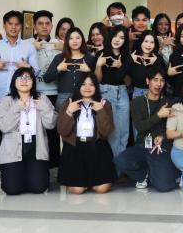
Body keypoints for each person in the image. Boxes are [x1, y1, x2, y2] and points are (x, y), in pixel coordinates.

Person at [115, 68, 179, 192]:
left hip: (160, 147)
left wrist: (163, 137)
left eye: (162, 80)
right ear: (147, 81)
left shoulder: (168, 103)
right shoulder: (136, 102)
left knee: (164, 186)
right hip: (142, 146)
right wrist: (159, 116)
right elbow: (140, 127)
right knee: (120, 160)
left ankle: (155, 172)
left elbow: (173, 128)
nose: (159, 84)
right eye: (155, 80)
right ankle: (143, 175)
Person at [0, 68, 57, 195]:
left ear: (33, 81)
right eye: (20, 78)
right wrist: (17, 107)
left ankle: (30, 176)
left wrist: (43, 107)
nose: (24, 81)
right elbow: (3, 127)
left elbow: (51, 124)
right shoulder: (6, 100)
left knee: (39, 188)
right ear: (14, 81)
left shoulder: (42, 98)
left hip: (36, 147)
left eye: (28, 78)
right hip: (12, 148)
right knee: (12, 190)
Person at [56, 73, 117, 194]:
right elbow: (62, 131)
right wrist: (69, 112)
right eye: (83, 84)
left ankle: (90, 181)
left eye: (91, 84)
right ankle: (82, 182)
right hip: (75, 148)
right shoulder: (69, 103)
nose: (87, 87)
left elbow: (106, 132)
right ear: (78, 86)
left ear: (96, 87)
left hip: (97, 147)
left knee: (102, 189)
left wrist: (100, 111)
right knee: (77, 190)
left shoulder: (104, 104)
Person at [0, 10, 39, 103]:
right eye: (10, 24)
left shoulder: (29, 47)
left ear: (21, 26)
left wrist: (28, 68)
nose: (13, 27)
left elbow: (36, 72)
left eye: (17, 24)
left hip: (21, 96)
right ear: (4, 25)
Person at [95, 26, 132, 158]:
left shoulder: (127, 56)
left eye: (121, 37)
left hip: (122, 92)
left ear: (125, 41)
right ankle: (112, 163)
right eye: (115, 36)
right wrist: (99, 65)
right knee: (113, 131)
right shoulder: (101, 54)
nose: (117, 40)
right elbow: (97, 80)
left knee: (124, 130)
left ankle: (120, 162)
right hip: (106, 91)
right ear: (110, 37)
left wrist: (121, 66)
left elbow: (127, 81)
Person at [43, 28, 96, 110]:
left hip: (84, 97)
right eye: (71, 38)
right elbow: (46, 79)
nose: (75, 41)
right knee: (63, 118)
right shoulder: (59, 58)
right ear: (67, 41)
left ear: (82, 40)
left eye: (78, 38)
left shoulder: (90, 58)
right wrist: (58, 69)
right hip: (63, 98)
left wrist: (88, 71)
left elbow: (97, 81)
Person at [128, 30, 164, 100]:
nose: (148, 45)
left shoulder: (158, 58)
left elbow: (163, 77)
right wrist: (130, 59)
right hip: (137, 93)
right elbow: (121, 76)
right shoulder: (133, 57)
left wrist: (155, 62)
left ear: (155, 44)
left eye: (152, 42)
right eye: (146, 41)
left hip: (155, 93)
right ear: (141, 42)